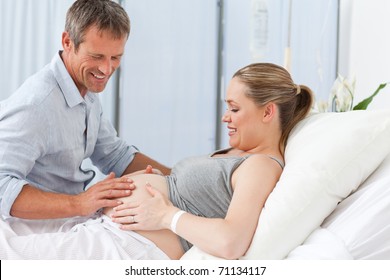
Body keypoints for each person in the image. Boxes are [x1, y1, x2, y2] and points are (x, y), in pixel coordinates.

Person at [0, 63, 313, 260]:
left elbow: (230, 242)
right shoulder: (238, 154)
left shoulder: (261, 165)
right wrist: (159, 184)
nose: (225, 117)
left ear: (268, 112)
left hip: (132, 246)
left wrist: (165, 215)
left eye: (234, 108)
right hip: (106, 226)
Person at [0, 0, 169, 221]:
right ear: (68, 42)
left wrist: (176, 180)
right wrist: (80, 203)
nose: (107, 69)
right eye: (97, 56)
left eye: (115, 57)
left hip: (72, 218)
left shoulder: (85, 90)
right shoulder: (37, 105)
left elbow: (115, 155)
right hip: (33, 227)